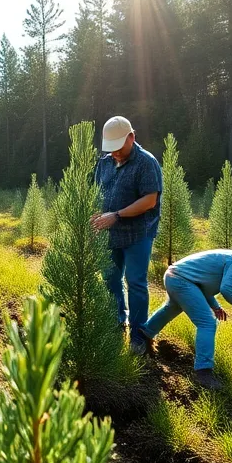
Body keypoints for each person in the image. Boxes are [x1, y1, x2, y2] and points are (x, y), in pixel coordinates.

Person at [138, 246, 232, 390]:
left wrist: (215, 306)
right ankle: (203, 373)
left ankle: (144, 335)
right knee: (207, 323)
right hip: (181, 279)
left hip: (175, 276)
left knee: (171, 308)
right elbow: (226, 289)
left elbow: (205, 284)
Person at [91, 116, 162, 353]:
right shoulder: (104, 163)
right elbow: (97, 193)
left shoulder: (146, 162)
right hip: (110, 233)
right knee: (110, 279)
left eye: (119, 148)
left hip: (138, 234)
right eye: (111, 149)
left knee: (136, 282)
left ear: (131, 137)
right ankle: (116, 321)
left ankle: (139, 335)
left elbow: (150, 200)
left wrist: (116, 215)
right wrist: (97, 216)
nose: (115, 154)